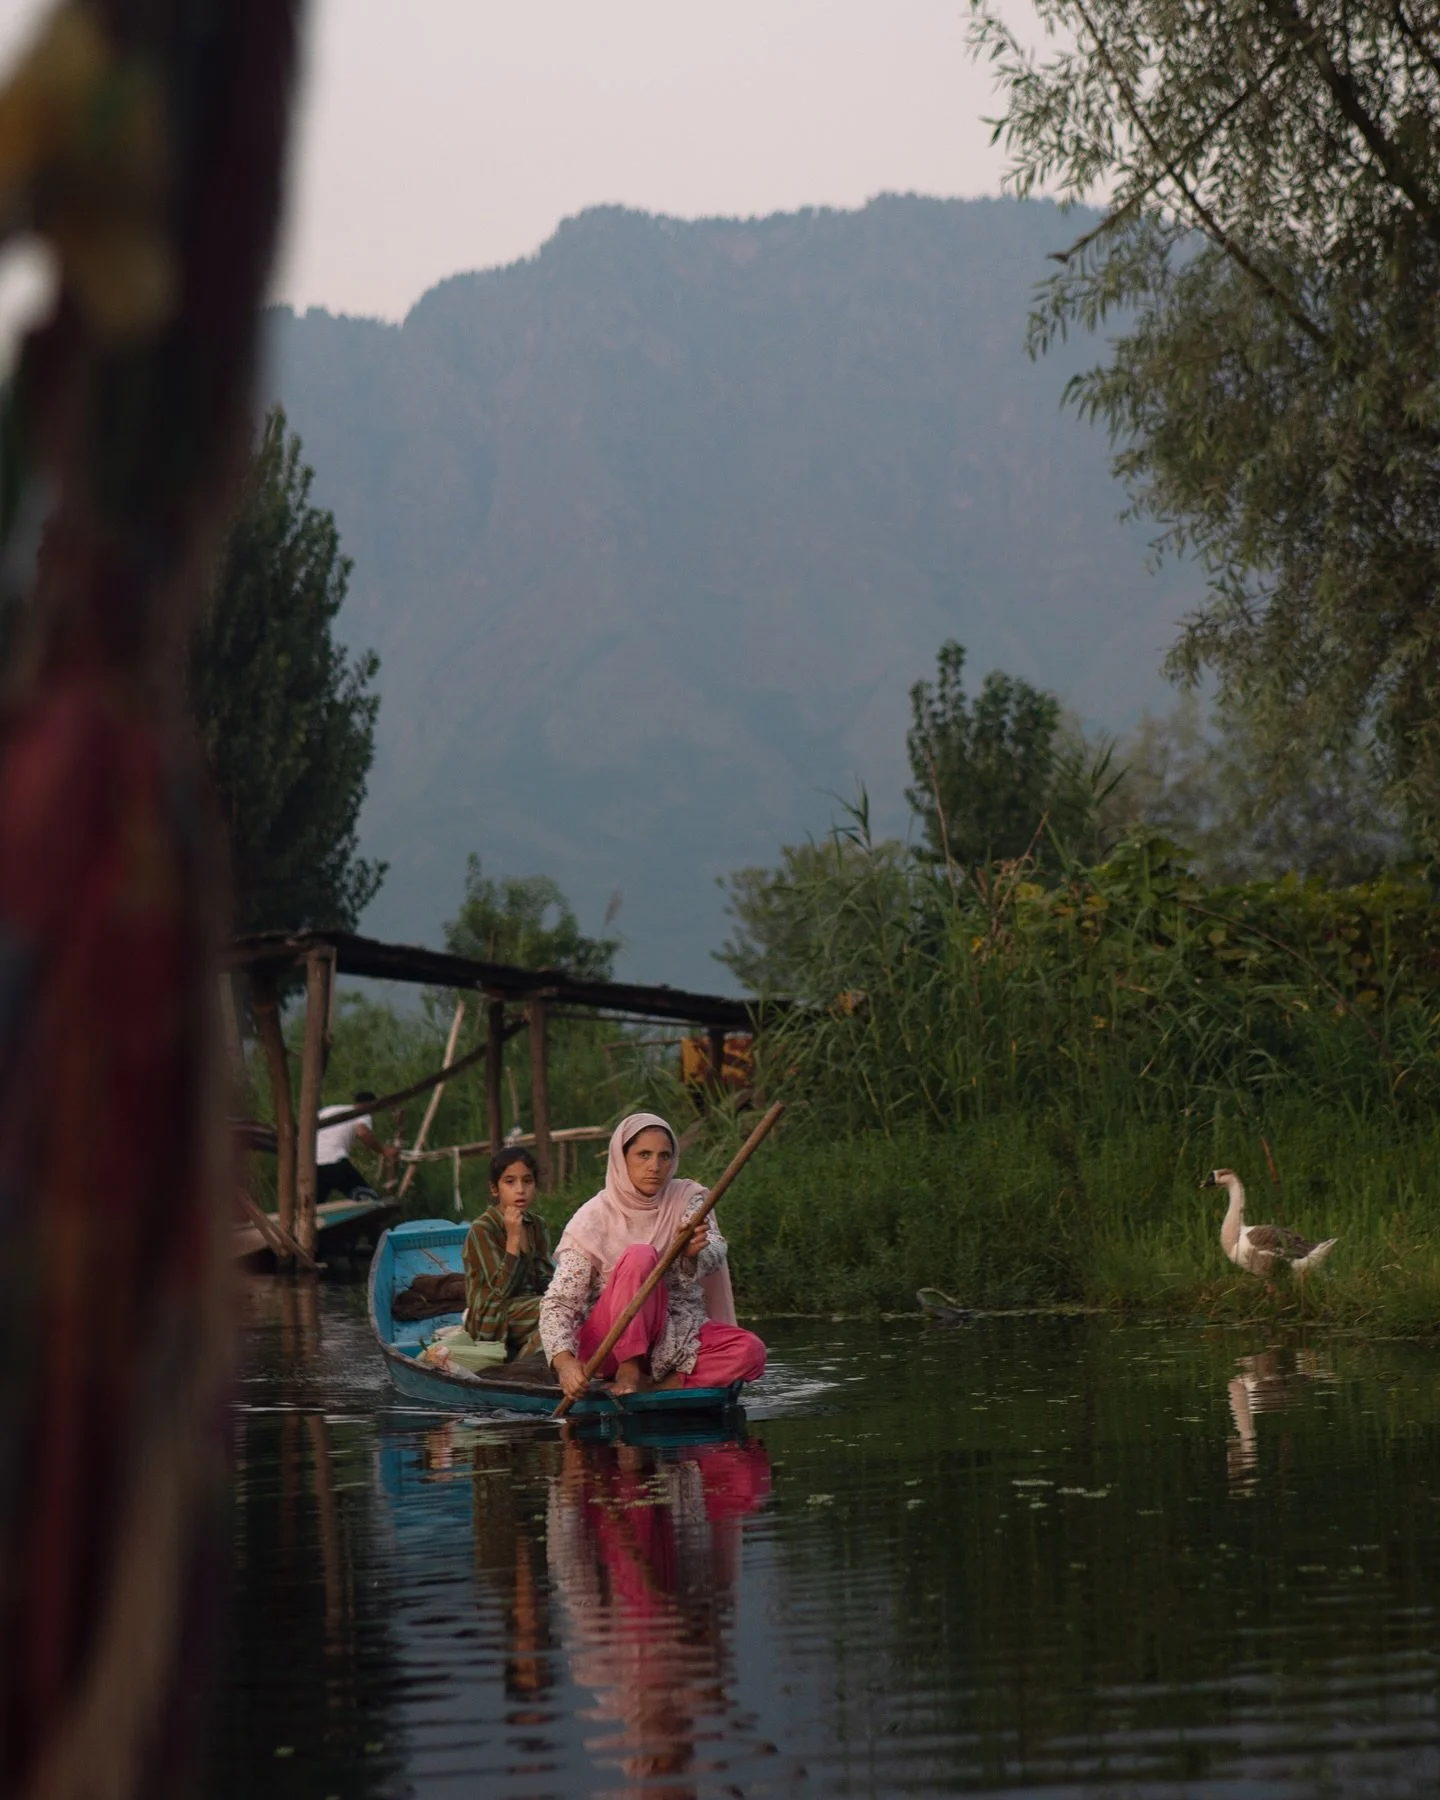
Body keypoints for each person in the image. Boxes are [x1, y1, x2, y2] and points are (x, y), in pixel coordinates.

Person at [539, 1112, 766, 1401]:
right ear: (622, 1158)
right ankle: (629, 1369)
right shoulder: (592, 1217)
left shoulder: (689, 1198)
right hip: (608, 1344)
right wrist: (566, 1365)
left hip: (671, 1336)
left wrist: (693, 1252)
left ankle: (658, 1388)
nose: (654, 1167)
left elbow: (717, 1250)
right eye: (643, 1155)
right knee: (640, 1255)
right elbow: (558, 1303)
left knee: (750, 1351)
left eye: (664, 1156)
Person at [462, 1146, 555, 1356]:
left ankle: (529, 1355)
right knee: (552, 1312)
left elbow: (546, 1278)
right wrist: (513, 1240)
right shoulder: (482, 1229)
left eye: (527, 1181)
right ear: (495, 1189)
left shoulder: (536, 1225)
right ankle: (519, 1368)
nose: (520, 1189)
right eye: (510, 1182)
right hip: (492, 1315)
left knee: (565, 1309)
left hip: (528, 1307)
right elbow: (500, 1292)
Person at [315, 1089, 396, 1201]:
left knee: (314, 1208)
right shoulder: (362, 1113)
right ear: (371, 1105)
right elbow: (362, 1132)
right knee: (367, 1199)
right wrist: (383, 1151)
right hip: (334, 1161)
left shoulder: (328, 1111)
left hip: (312, 1164)